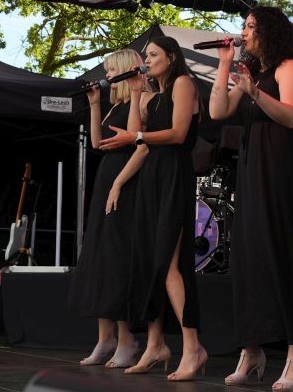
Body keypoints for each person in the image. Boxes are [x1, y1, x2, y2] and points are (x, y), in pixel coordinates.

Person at [208, 7, 293, 390]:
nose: (244, 32)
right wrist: (225, 64)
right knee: (248, 258)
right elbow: (218, 111)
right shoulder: (251, 72)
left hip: (281, 169)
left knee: (281, 256)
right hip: (252, 169)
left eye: (251, 26)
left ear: (269, 31)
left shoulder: (288, 66)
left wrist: (254, 92)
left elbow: (291, 117)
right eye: (244, 26)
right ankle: (251, 350)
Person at [100, 36, 208, 382]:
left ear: (171, 57)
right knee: (152, 265)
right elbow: (136, 136)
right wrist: (135, 93)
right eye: (145, 55)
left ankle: (193, 347)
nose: (146, 59)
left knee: (171, 266)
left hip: (174, 175)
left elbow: (177, 134)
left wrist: (138, 138)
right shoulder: (155, 95)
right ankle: (155, 344)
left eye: (153, 54)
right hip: (153, 179)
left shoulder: (183, 83)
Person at [68, 49, 146, 368]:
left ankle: (127, 339)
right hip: (107, 177)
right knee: (101, 257)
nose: (108, 75)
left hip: (126, 182)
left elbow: (138, 145)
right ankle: (105, 338)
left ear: (126, 70)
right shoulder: (115, 105)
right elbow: (97, 144)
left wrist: (118, 184)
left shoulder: (142, 100)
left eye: (112, 70)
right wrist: (94, 104)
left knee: (117, 259)